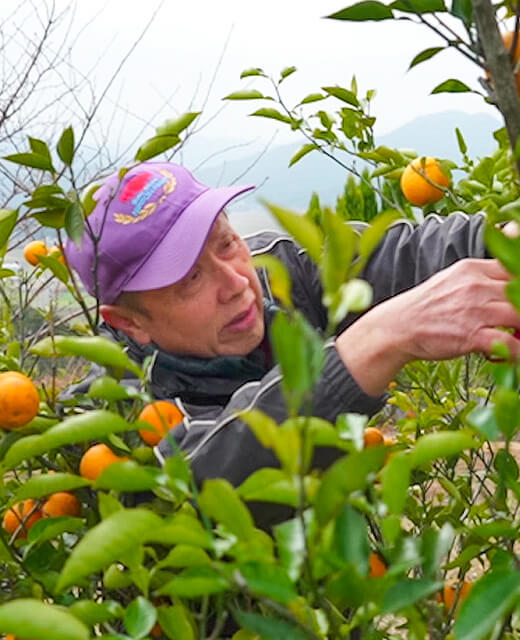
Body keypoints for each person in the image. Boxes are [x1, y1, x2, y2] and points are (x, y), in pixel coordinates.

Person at [64, 161, 520, 528]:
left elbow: (401, 255)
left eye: (226, 243)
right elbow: (201, 486)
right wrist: (378, 340)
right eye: (191, 280)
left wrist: (499, 243)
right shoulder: (108, 415)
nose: (236, 282)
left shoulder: (279, 270)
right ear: (129, 322)